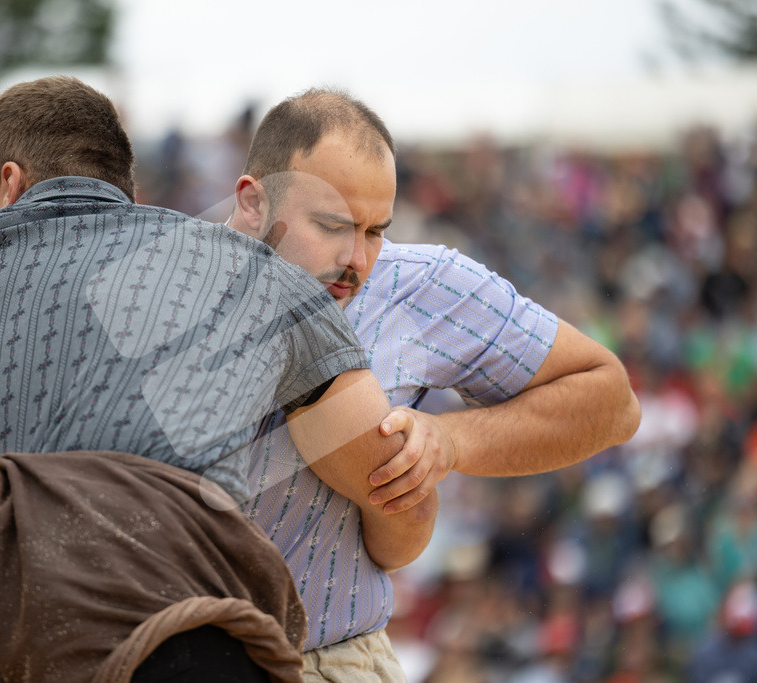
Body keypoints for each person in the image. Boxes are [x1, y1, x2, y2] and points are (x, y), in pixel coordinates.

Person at [0, 76, 434, 682]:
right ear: (123, 194)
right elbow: (393, 486)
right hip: (187, 634)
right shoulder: (251, 273)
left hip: (4, 638)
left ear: (7, 182)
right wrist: (428, 467)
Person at [220, 88, 640, 680]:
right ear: (252, 202)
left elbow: (612, 399)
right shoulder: (154, 292)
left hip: (332, 659)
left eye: (375, 230)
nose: (357, 259)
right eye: (333, 225)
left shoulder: (420, 287)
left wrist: (449, 441)